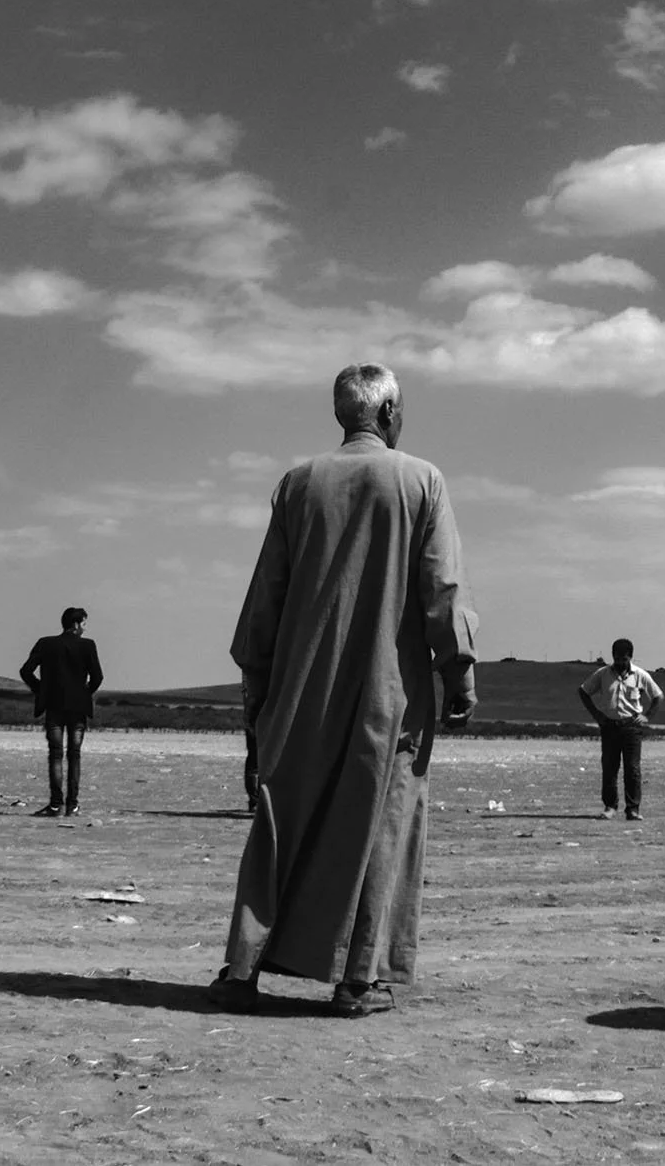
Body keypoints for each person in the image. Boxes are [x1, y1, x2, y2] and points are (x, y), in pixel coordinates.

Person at [211, 364, 478, 1018]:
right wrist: (459, 671)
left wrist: (258, 684)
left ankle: (242, 970)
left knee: (281, 820)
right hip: (388, 692)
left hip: (300, 685)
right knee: (378, 824)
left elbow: (265, 597)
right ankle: (358, 980)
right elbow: (442, 588)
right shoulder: (421, 480)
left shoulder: (297, 484)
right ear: (387, 413)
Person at [19, 606, 103, 817]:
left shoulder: (46, 644)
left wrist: (41, 690)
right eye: (84, 623)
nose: (85, 628)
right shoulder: (87, 645)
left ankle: (56, 804)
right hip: (78, 708)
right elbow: (97, 677)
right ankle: (72, 805)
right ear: (76, 624)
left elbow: (26, 671)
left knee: (56, 755)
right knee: (74, 755)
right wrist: (84, 693)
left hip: (54, 705)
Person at [577, 638, 664, 820]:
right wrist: (597, 715)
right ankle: (610, 806)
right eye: (617, 658)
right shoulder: (602, 674)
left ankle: (632, 809)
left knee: (632, 769)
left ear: (630, 657)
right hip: (609, 726)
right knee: (609, 767)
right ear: (613, 656)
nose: (620, 663)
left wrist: (647, 716)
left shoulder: (640, 675)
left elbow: (658, 696)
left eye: (624, 659)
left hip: (631, 727)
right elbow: (583, 691)